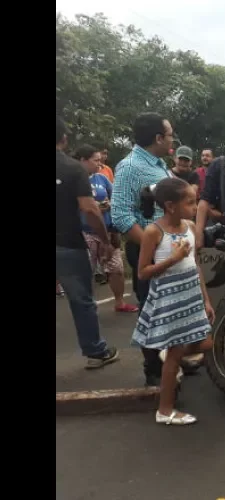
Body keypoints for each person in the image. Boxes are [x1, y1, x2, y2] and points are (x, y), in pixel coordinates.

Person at [133, 177, 214, 425]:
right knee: (176, 355)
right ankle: (165, 410)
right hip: (170, 300)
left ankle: (169, 354)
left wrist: (206, 300)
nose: (194, 206)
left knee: (207, 344)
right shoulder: (153, 232)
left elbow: (196, 265)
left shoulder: (189, 226)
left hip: (190, 299)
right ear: (170, 205)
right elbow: (143, 272)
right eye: (190, 202)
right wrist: (173, 258)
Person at [112, 112, 175, 387]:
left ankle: (173, 360)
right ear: (158, 138)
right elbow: (122, 217)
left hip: (170, 252)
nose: (172, 138)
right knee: (151, 311)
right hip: (148, 253)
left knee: (171, 307)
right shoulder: (129, 167)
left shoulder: (160, 164)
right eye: (170, 134)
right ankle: (154, 370)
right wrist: (155, 245)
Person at [56, 117, 119, 368]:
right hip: (68, 244)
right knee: (81, 300)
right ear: (64, 139)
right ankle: (96, 352)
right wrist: (105, 239)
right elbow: (90, 210)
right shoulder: (72, 168)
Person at [72, 144, 138, 313]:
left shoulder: (101, 179)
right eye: (96, 161)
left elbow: (117, 196)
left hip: (107, 231)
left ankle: (120, 302)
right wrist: (89, 208)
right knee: (86, 272)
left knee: (116, 268)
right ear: (82, 160)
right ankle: (87, 306)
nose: (99, 165)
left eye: (100, 161)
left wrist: (109, 205)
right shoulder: (73, 180)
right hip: (85, 232)